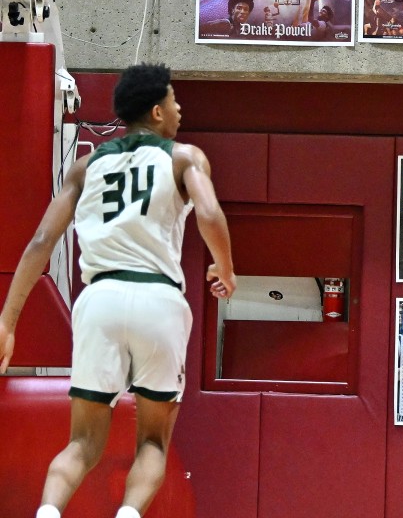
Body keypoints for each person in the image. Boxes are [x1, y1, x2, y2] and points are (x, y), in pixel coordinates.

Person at [0, 63, 236, 518]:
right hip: (158, 299)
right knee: (152, 440)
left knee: (83, 443)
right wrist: (226, 270)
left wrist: (7, 322)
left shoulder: (85, 167)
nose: (179, 107)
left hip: (99, 301)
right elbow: (208, 213)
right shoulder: (184, 157)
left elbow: (39, 244)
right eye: (173, 99)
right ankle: (127, 514)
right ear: (156, 110)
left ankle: (47, 512)